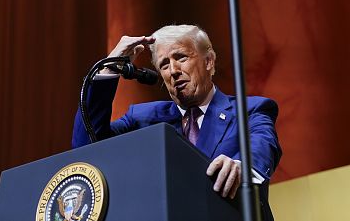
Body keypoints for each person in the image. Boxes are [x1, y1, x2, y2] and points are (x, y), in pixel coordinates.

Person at [72, 24, 282, 221]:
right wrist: (110, 68)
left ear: (209, 61)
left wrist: (241, 165)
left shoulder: (250, 110)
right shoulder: (142, 117)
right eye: (164, 64)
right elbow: (87, 147)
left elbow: (263, 146)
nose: (172, 70)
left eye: (181, 57)